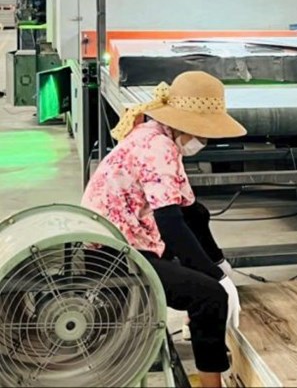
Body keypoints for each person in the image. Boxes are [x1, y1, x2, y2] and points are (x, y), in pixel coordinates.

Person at [82, 71, 247, 388]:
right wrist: (218, 280)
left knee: (198, 263)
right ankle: (212, 384)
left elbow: (191, 213)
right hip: (113, 256)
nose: (205, 141)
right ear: (187, 124)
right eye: (204, 134)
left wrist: (217, 262)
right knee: (209, 296)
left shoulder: (156, 133)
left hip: (125, 238)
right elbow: (171, 224)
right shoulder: (158, 147)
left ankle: (196, 326)